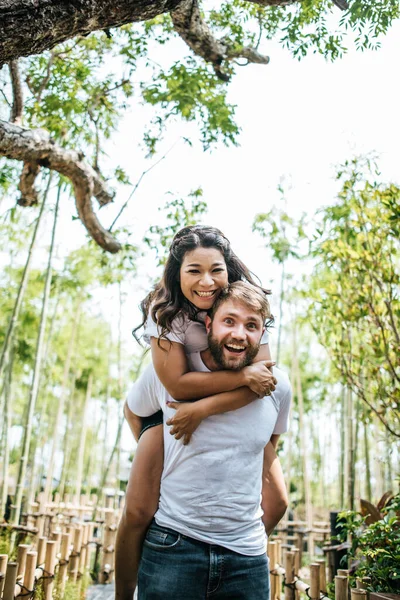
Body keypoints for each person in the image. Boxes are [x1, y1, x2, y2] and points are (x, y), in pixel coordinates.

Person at [115, 226, 280, 599]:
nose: (206, 281)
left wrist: (205, 409)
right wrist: (237, 379)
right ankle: (124, 591)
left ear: (229, 270)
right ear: (177, 273)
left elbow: (261, 382)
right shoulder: (166, 313)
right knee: (140, 510)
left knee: (279, 498)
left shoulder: (244, 308)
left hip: (203, 406)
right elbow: (178, 386)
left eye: (215, 270)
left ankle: (232, 560)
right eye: (194, 270)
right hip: (156, 411)